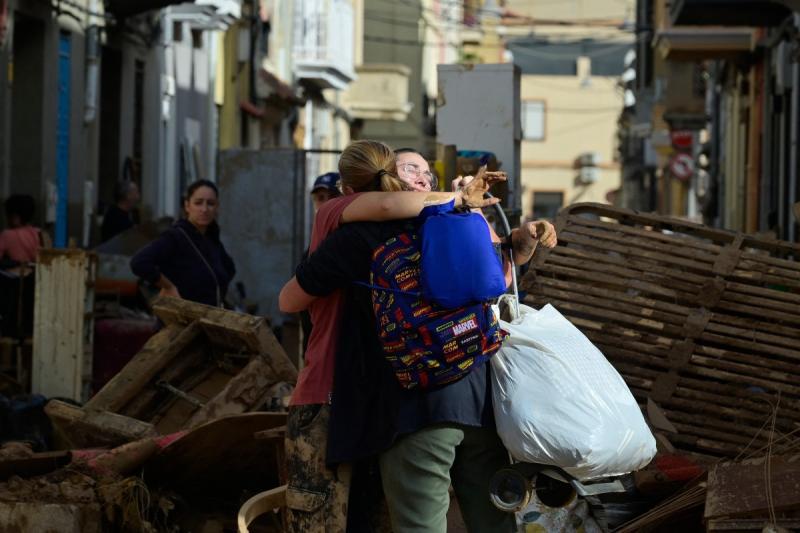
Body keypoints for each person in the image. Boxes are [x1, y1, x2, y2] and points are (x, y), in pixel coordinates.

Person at [280, 141, 556, 532]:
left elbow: (288, 300)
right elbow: (496, 282)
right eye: (412, 170)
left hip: (414, 410)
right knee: (493, 523)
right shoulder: (462, 224)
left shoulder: (355, 236)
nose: (421, 178)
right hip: (481, 405)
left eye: (426, 172)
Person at [130, 180, 235, 307]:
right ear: (187, 206)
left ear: (217, 207)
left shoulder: (211, 238)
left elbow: (230, 269)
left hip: (208, 320)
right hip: (181, 321)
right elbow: (139, 262)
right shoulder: (175, 237)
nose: (204, 209)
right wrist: (167, 286)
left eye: (210, 203)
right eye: (198, 203)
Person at [301, 172, 343, 352]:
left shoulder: (350, 242)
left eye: (332, 196)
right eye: (320, 198)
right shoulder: (311, 249)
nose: (325, 203)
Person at [0, 195, 48, 266]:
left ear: (15, 217)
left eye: (7, 215)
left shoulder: (7, 235)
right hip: (36, 274)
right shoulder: (39, 233)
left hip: (17, 275)